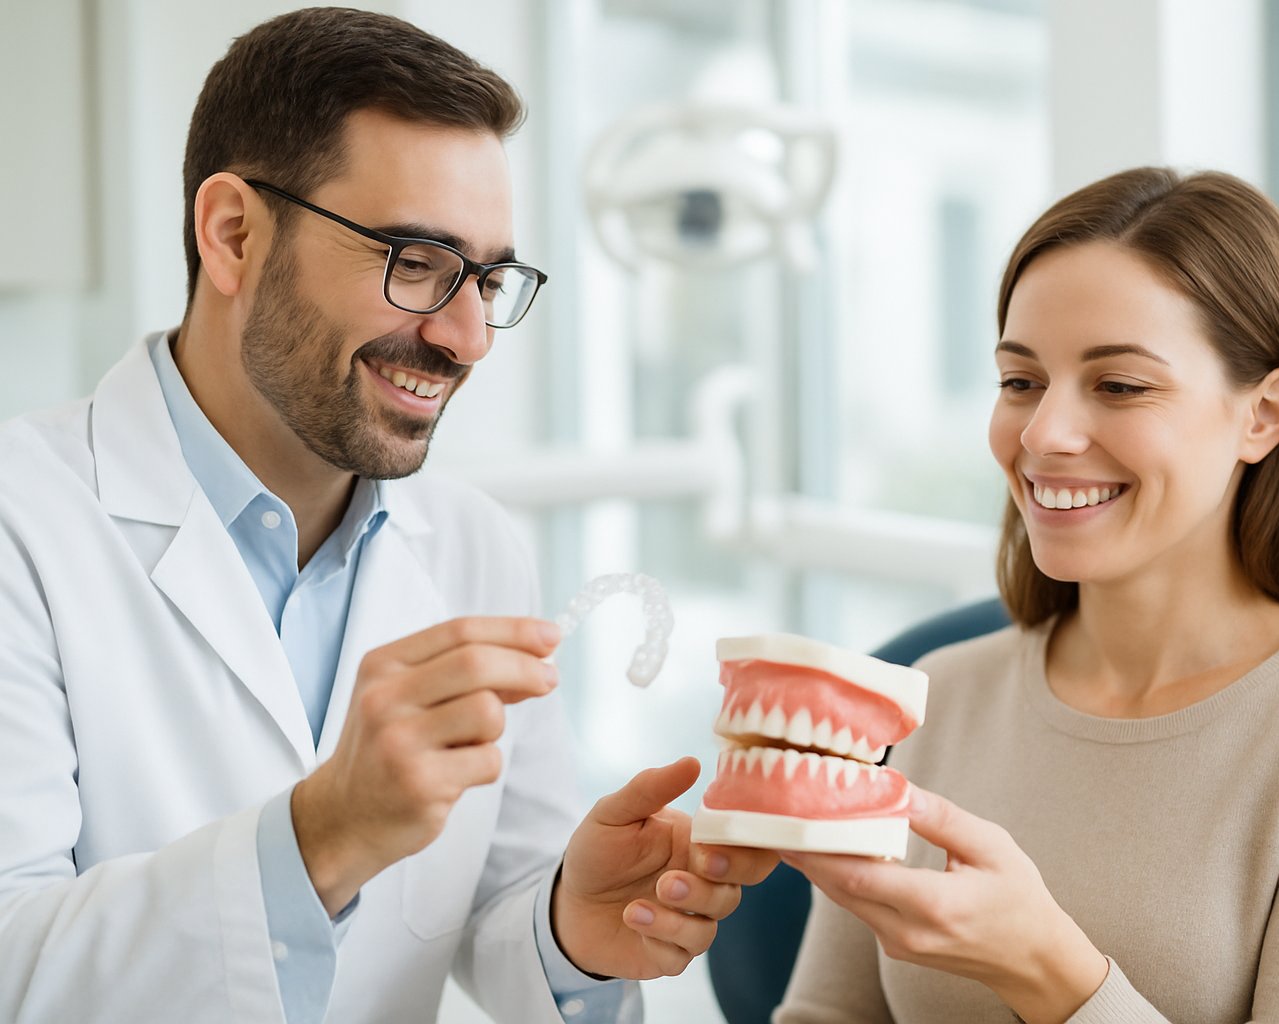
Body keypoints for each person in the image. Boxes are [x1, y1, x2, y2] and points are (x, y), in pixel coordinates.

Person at [0, 9, 774, 1023]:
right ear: (233, 233)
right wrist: (322, 835)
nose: (467, 338)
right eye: (415, 259)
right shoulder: (23, 524)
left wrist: (567, 925)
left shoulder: (472, 547)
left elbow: (483, 909)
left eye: (488, 279)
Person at [773, 167, 1279, 1023]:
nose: (1042, 434)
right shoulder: (941, 694)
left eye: (1119, 386)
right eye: (1020, 381)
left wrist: (1048, 969)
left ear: (1263, 414)